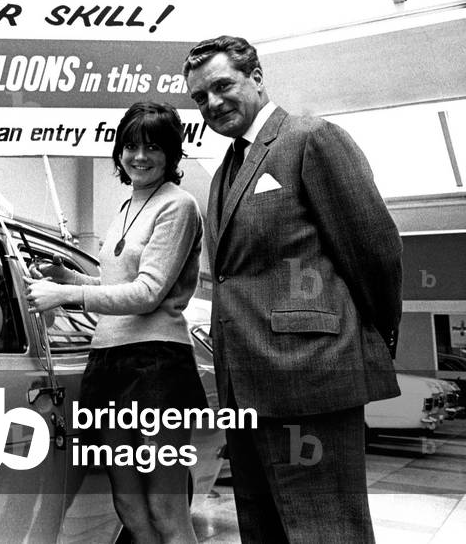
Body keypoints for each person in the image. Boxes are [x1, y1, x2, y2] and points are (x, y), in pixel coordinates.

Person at [182, 35, 401, 544]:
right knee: (262, 530)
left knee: (324, 531)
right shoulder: (224, 173)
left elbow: (374, 251)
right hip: (245, 388)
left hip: (312, 378)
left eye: (222, 86)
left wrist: (368, 340)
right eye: (199, 97)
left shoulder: (312, 138)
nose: (212, 103)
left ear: (257, 78)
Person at [27, 102, 206, 544]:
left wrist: (67, 296)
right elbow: (117, 283)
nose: (139, 156)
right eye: (130, 146)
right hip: (108, 361)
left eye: (152, 147)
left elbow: (147, 293)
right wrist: (68, 277)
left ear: (172, 153)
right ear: (119, 152)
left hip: (156, 365)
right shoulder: (128, 205)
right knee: (128, 503)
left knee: (165, 507)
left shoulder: (179, 206)